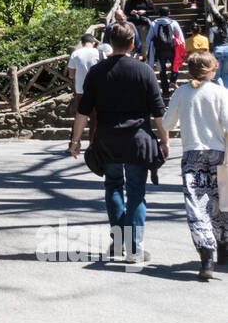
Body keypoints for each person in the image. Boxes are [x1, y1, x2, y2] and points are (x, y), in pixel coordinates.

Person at [70, 22, 168, 262]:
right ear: (133, 42)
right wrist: (164, 140)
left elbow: (82, 110)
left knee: (113, 186)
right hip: (138, 140)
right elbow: (158, 111)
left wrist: (75, 140)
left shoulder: (97, 72)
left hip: (107, 139)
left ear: (109, 43)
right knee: (136, 191)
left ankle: (117, 242)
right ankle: (134, 247)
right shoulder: (143, 71)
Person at [161, 51, 228, 280]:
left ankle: (206, 256)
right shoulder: (220, 92)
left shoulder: (182, 92)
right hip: (218, 153)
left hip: (192, 154)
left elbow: (168, 122)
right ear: (211, 69)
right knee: (221, 202)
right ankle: (224, 250)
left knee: (197, 204)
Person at [147, 3, 184, 97]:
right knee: (175, 65)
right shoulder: (174, 23)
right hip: (172, 49)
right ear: (169, 13)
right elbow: (180, 37)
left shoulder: (154, 23)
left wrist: (149, 50)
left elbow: (149, 38)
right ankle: (173, 80)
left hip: (159, 50)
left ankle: (166, 92)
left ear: (159, 14)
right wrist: (183, 49)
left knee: (162, 71)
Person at [67, 33, 102, 131]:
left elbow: (71, 75)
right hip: (97, 91)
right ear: (93, 43)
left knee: (79, 118)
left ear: (82, 43)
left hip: (81, 91)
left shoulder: (75, 53)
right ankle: (93, 143)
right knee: (95, 120)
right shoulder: (100, 53)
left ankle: (74, 143)